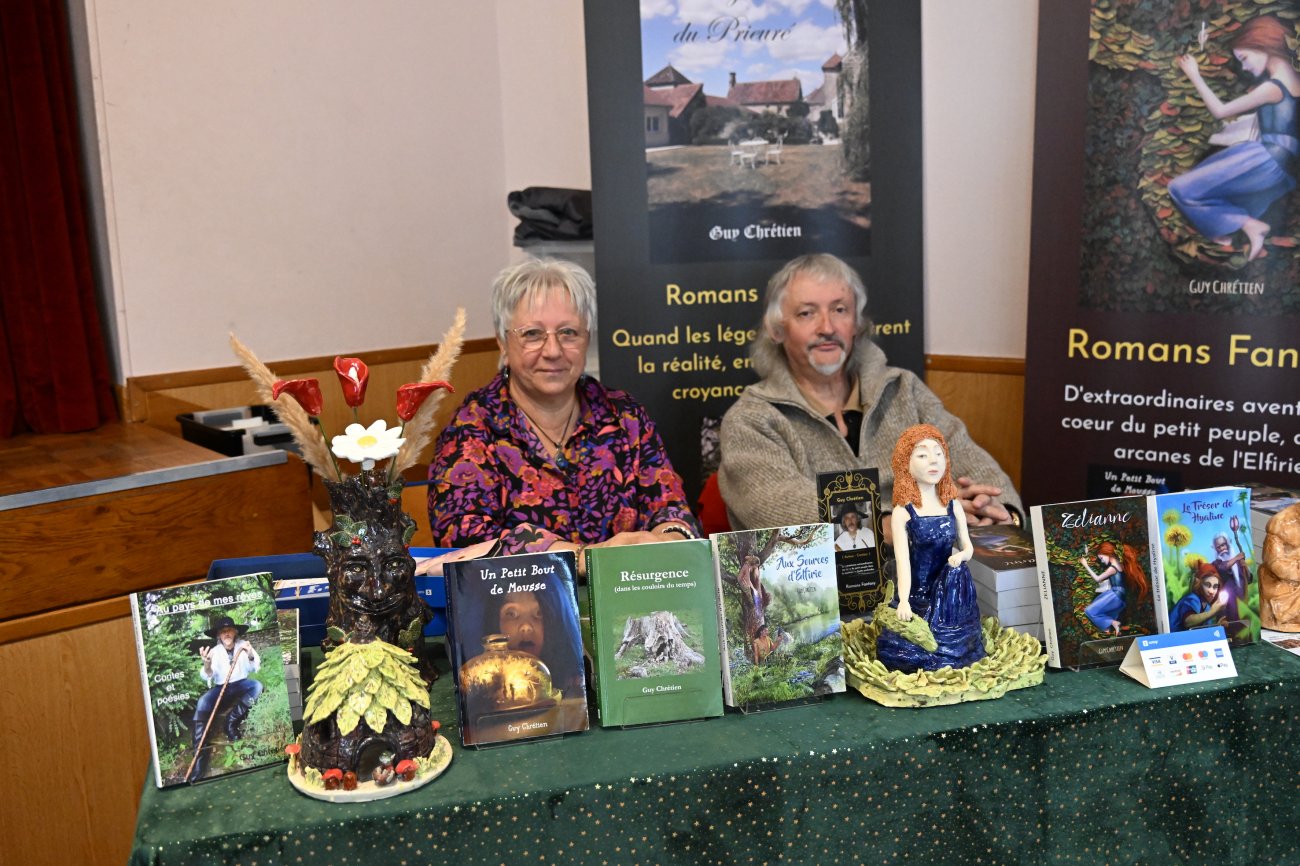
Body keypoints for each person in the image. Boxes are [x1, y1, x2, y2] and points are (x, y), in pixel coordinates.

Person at [718, 253, 1020, 534]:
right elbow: (787, 514)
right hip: (823, 574)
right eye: (807, 313)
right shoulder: (751, 420)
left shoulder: (903, 389)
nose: (827, 327)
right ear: (776, 330)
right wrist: (908, 523)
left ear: (856, 324)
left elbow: (972, 462)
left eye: (839, 310)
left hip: (930, 561)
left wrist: (1000, 512)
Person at [427, 258, 699, 565]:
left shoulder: (626, 417)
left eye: (568, 332)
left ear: (587, 338)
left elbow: (672, 508)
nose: (553, 350)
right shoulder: (470, 429)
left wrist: (670, 539)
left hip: (628, 590)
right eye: (532, 334)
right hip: (525, 597)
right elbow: (464, 540)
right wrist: (583, 559)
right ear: (502, 342)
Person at [1170, 15, 1300, 261]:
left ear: (1263, 45)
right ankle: (1247, 232)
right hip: (1285, 167)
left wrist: (1194, 74)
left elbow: (1221, 111)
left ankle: (1251, 226)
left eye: (1244, 58)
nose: (1245, 68)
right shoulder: (1295, 80)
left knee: (1180, 188)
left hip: (1267, 158)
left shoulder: (1273, 87)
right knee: (1218, 196)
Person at [876, 425, 985, 673]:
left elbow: (967, 547)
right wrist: (904, 601)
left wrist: (960, 555)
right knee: (906, 648)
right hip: (918, 593)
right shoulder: (903, 512)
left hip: (950, 591)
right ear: (906, 463)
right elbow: (903, 562)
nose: (933, 461)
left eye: (938, 453)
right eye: (922, 455)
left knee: (956, 644)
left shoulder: (953, 506)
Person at [187, 615, 262, 782]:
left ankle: (230, 722)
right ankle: (199, 758)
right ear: (219, 635)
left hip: (241, 684)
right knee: (203, 702)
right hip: (222, 687)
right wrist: (207, 664)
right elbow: (208, 675)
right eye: (223, 631)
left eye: (229, 630)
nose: (226, 633)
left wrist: (250, 654)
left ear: (235, 632)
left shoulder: (244, 645)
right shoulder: (214, 651)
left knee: (257, 686)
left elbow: (255, 667)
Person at [1079, 540, 1151, 637]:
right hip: (1121, 598)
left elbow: (1097, 579)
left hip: (1115, 596)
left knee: (1089, 611)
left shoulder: (1112, 568)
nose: (1101, 561)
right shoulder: (1120, 565)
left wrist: (1085, 565)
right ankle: (1113, 629)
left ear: (1107, 553)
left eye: (1101, 558)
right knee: (1105, 619)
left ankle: (1114, 623)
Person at [1209, 532, 1251, 638]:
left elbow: (1249, 579)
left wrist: (1245, 567)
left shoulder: (1238, 563)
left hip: (1241, 603)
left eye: (1223, 545)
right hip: (1226, 607)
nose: (1222, 548)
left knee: (1243, 631)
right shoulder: (1216, 564)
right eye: (1218, 547)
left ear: (1228, 543)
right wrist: (1236, 558)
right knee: (1228, 630)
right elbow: (1223, 568)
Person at [1170, 562, 1228, 632]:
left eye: (1215, 587)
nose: (1211, 591)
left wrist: (1217, 626)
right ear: (1199, 584)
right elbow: (1188, 622)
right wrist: (1212, 612)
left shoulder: (1206, 606)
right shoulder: (1191, 599)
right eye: (1207, 585)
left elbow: (1203, 629)